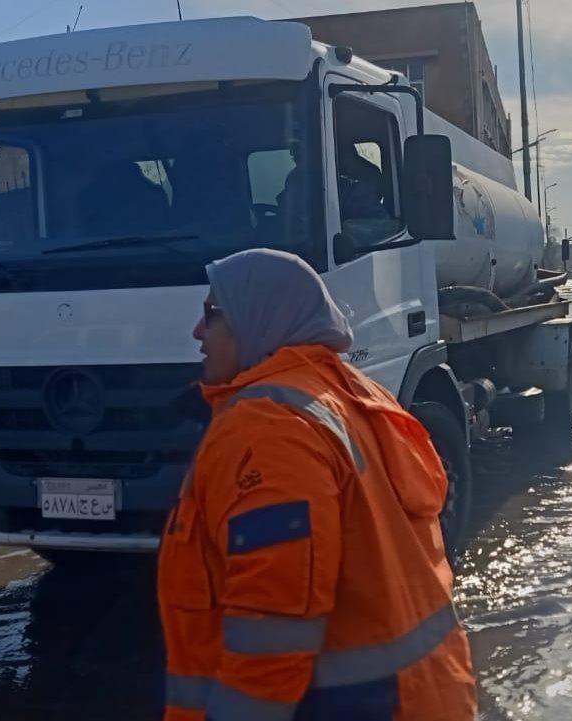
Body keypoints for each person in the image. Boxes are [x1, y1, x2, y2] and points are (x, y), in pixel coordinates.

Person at [158, 248, 477, 721]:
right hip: (422, 694)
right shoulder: (347, 390)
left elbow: (273, 626)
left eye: (212, 314)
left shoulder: (269, 428)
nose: (198, 332)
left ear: (258, 318)